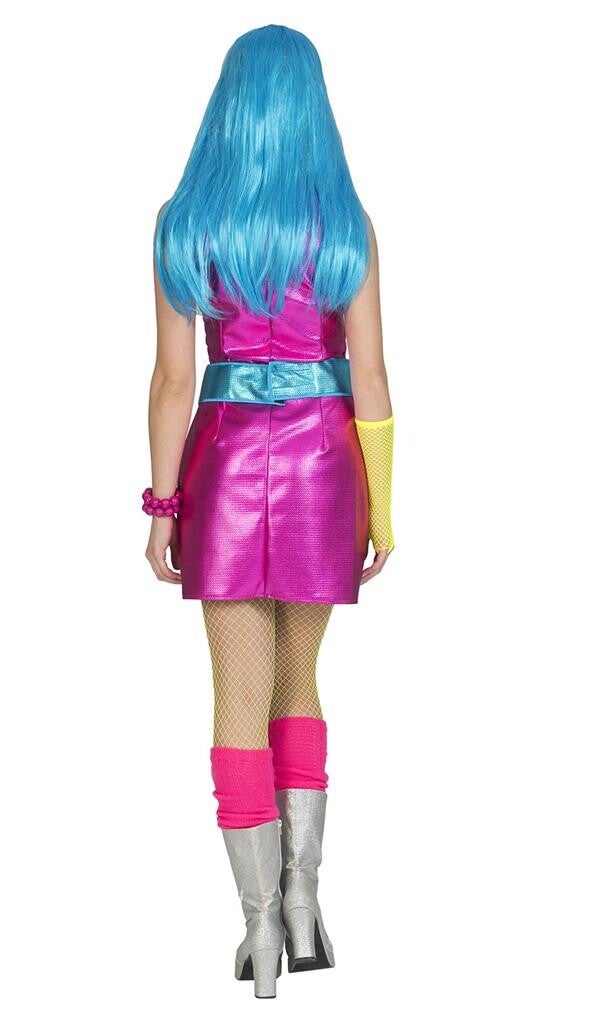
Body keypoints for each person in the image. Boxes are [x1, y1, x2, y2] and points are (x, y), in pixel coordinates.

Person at [144, 24, 395, 999]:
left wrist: (163, 505)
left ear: (230, 106)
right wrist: (383, 509)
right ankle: (302, 902)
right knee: (299, 679)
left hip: (225, 464)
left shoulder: (184, 223)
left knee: (234, 694)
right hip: (326, 466)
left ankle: (256, 934)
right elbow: (370, 378)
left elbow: (174, 381)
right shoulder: (345, 225)